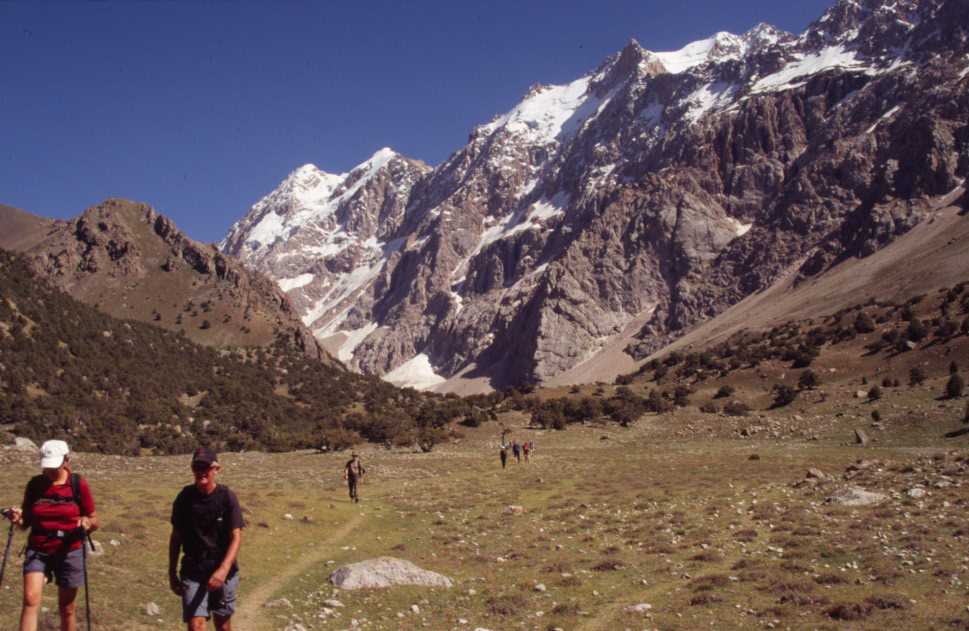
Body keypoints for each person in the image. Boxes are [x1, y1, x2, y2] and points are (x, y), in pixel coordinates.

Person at [4, 439, 99, 631]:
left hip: (69, 550)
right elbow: (27, 521)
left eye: (53, 466)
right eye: (46, 466)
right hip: (38, 548)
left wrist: (87, 524)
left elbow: (94, 519)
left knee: (67, 608)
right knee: (30, 599)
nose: (49, 471)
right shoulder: (35, 485)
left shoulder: (77, 484)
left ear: (66, 460)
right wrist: (18, 518)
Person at [169, 447, 244, 631]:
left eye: (205, 467)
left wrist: (223, 570)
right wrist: (171, 572)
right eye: (197, 467)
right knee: (196, 625)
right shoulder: (184, 498)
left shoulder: (227, 497)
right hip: (193, 570)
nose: (201, 472)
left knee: (223, 625)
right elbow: (176, 537)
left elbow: (236, 537)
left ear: (216, 469)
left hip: (222, 571)